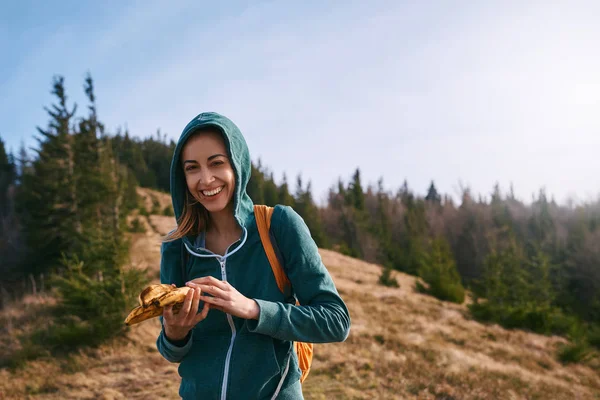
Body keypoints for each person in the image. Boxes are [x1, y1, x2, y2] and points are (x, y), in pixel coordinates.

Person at [156, 112, 351, 399]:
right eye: (192, 168)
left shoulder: (279, 226)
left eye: (216, 163)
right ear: (182, 177)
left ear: (237, 163)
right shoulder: (177, 248)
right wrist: (174, 332)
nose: (206, 179)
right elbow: (172, 351)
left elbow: (335, 321)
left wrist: (254, 309)